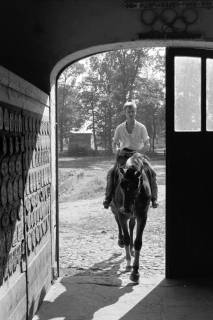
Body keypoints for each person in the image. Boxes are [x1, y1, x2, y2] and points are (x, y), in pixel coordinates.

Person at [103, 100, 159, 209]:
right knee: (111, 172)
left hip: (137, 155)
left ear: (135, 112)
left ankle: (154, 199)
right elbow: (114, 143)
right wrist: (118, 151)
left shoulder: (141, 127)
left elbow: (147, 144)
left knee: (152, 172)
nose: (131, 113)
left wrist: (138, 153)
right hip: (123, 156)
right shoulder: (119, 128)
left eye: (133, 111)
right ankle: (108, 198)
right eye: (129, 111)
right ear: (125, 112)